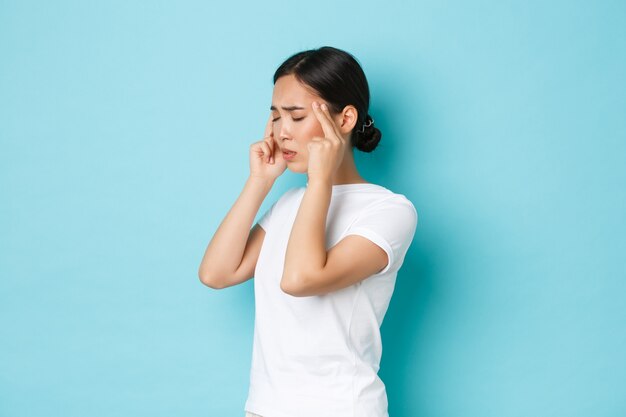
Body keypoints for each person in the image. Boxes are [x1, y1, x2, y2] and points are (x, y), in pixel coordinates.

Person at [198, 46, 418, 417]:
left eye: (296, 117)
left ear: (345, 119)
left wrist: (320, 180)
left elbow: (300, 279)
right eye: (274, 116)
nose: (282, 132)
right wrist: (260, 182)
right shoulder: (288, 206)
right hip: (265, 409)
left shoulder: (389, 212)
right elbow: (216, 273)